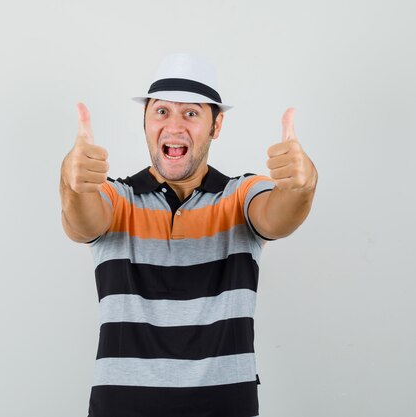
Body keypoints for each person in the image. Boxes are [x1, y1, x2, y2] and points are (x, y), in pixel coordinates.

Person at [60, 53, 317, 417]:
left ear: (217, 125)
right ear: (146, 122)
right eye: (161, 111)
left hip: (225, 407)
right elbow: (81, 221)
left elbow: (279, 216)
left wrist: (301, 187)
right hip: (122, 407)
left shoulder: (241, 195)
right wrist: (72, 184)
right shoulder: (115, 197)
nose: (175, 125)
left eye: (192, 113)